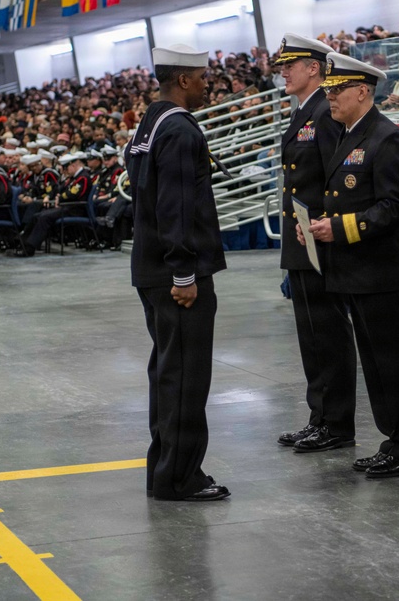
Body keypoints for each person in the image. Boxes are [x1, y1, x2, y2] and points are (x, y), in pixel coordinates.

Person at [302, 52, 399, 478]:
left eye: (337, 91)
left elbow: (395, 207)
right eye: (328, 91)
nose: (330, 99)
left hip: (381, 272)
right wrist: (320, 225)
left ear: (362, 91)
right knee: (376, 365)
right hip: (356, 272)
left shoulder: (386, 137)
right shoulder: (349, 134)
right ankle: (394, 439)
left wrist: (338, 230)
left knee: (395, 364)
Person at [127, 42, 229, 501]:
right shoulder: (181, 132)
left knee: (168, 375)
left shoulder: (149, 124)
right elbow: (178, 208)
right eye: (203, 78)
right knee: (186, 377)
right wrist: (184, 275)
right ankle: (181, 477)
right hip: (175, 276)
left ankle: (162, 470)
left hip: (149, 269)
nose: (207, 85)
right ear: (184, 80)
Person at [269, 34, 358, 453]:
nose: (283, 71)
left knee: (327, 333)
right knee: (311, 334)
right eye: (282, 65)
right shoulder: (304, 111)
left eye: (292, 64)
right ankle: (320, 416)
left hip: (317, 239)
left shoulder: (323, 112)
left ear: (315, 68)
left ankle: (336, 422)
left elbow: (332, 178)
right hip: (300, 238)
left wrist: (325, 227)